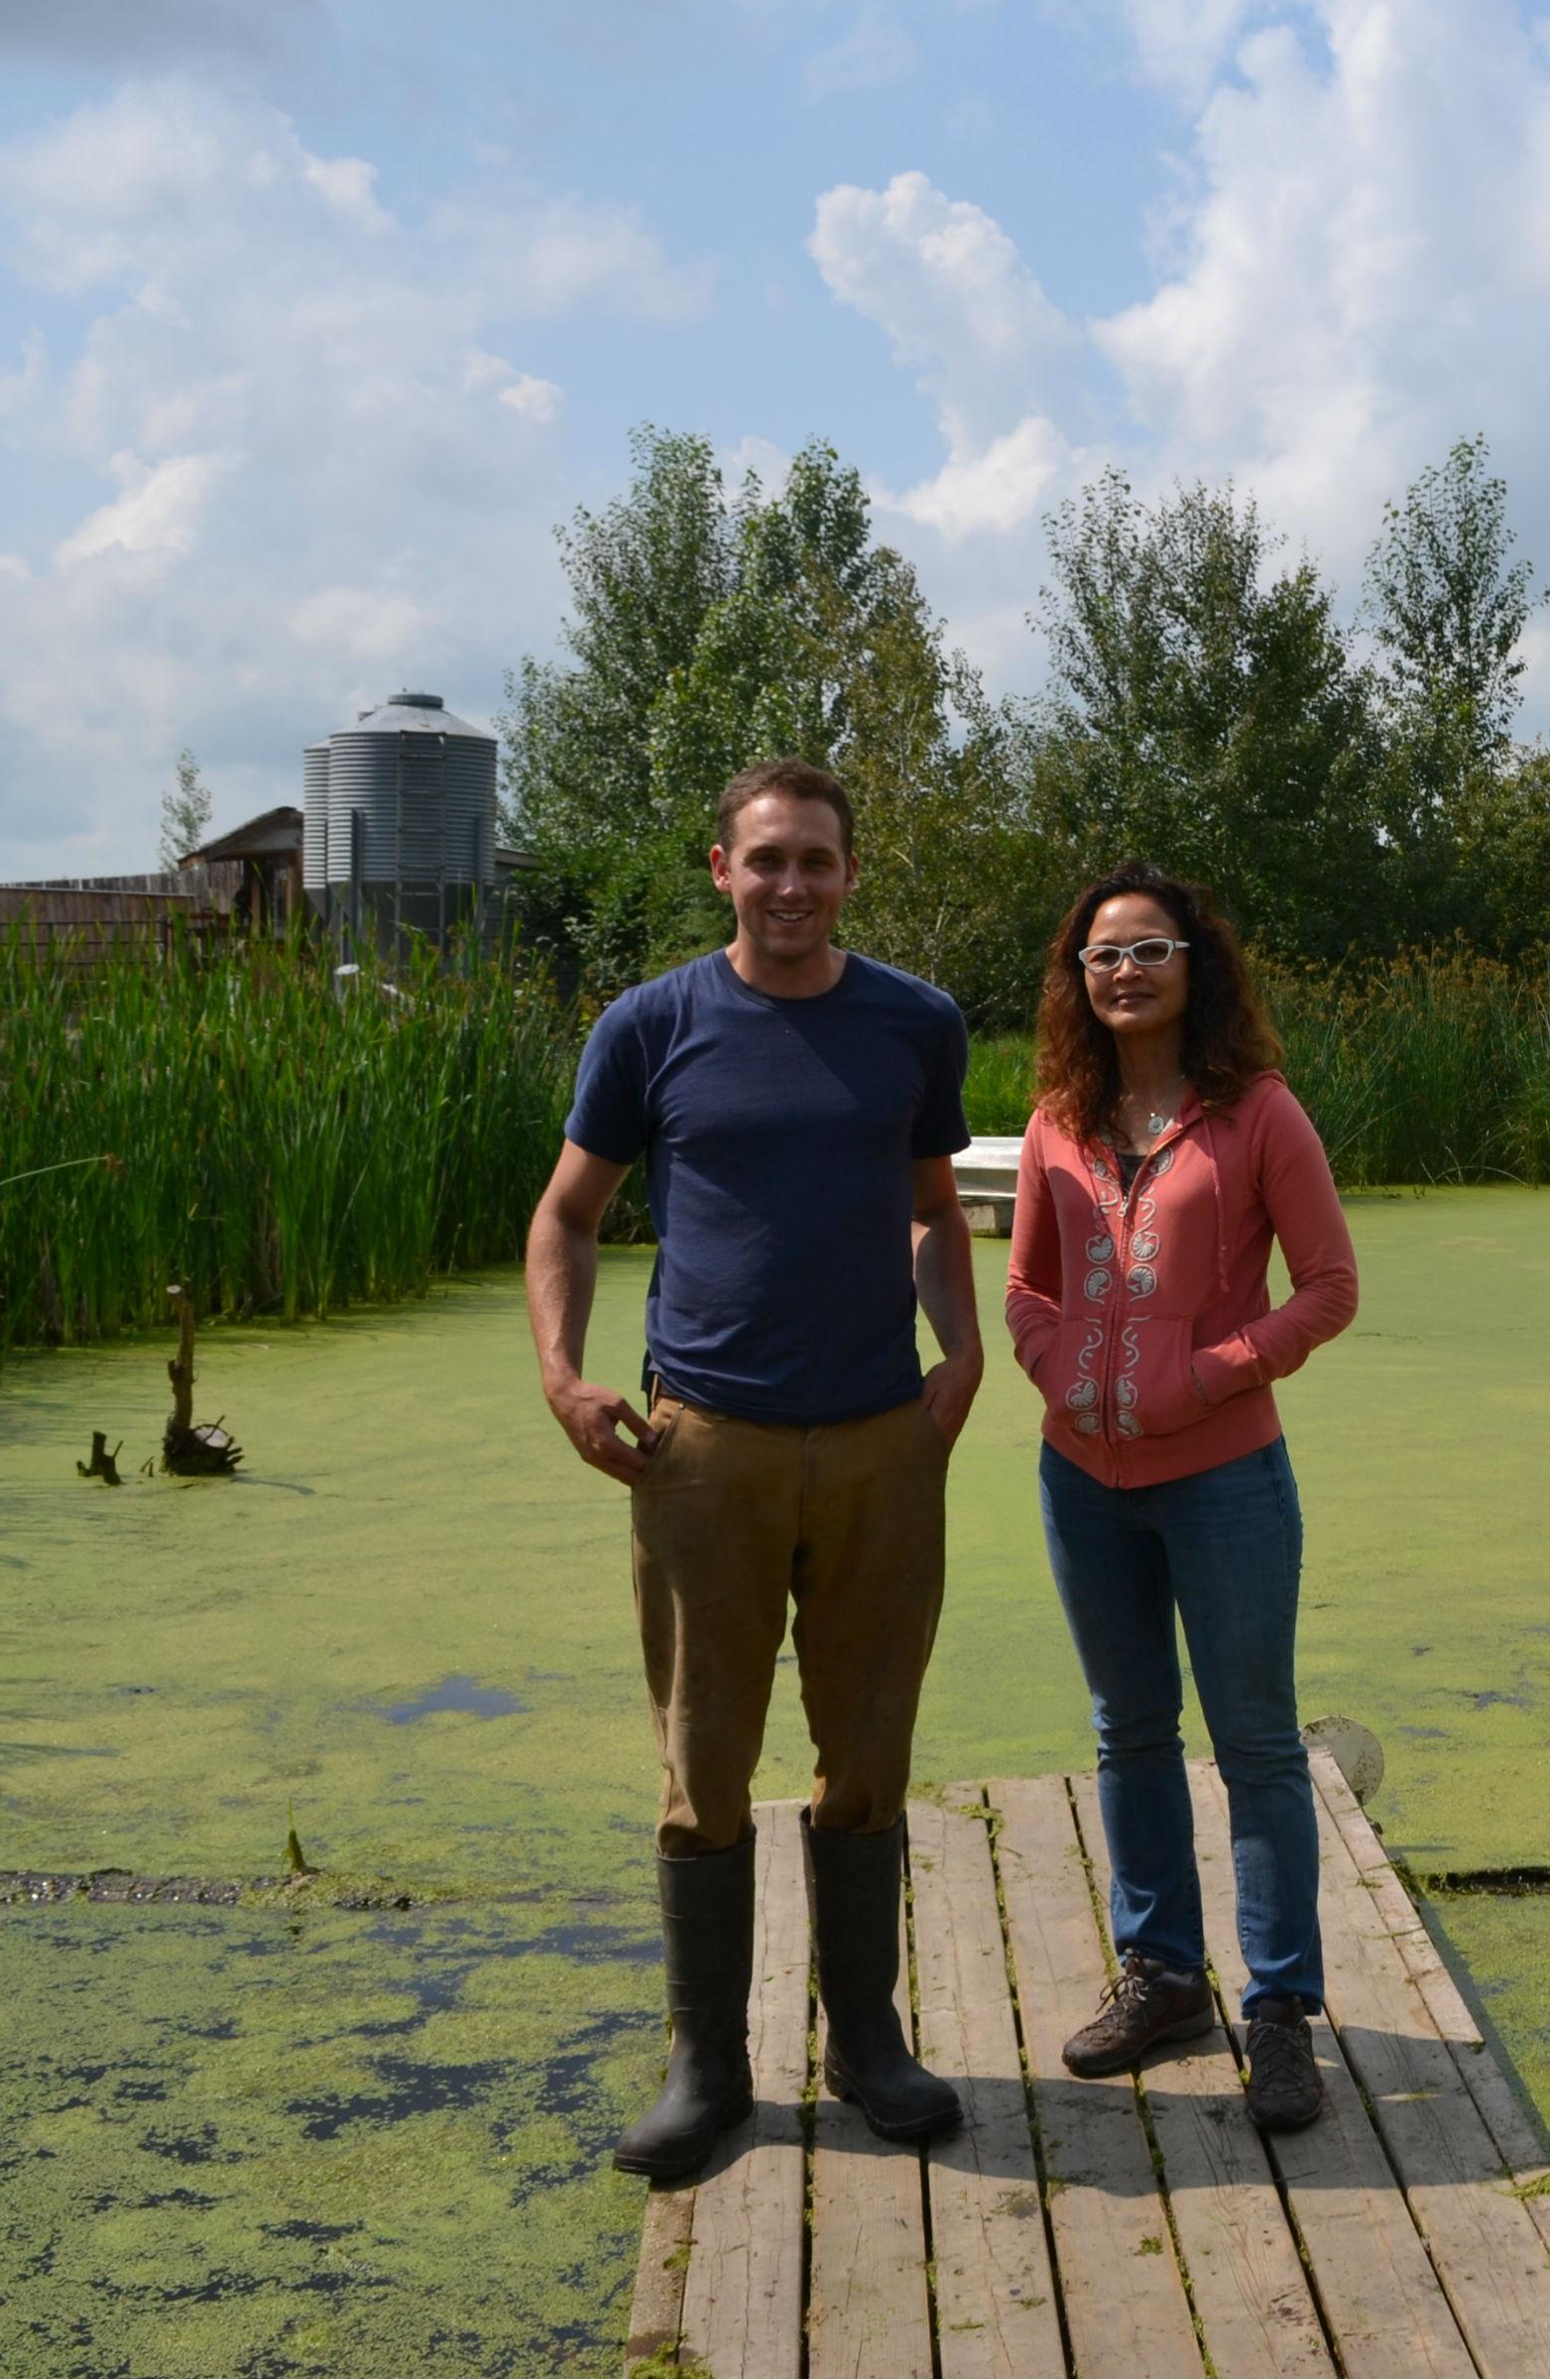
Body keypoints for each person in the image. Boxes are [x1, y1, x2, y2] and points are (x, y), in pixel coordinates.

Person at [527, 758, 985, 2183]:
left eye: (817, 860)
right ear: (720, 867)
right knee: (703, 1754)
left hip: (876, 1443)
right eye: (766, 859)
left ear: (851, 871)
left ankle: (866, 2037)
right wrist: (563, 1371)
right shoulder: (652, 1022)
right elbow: (567, 1213)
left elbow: (930, 1208)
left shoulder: (913, 1021)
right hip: (701, 1445)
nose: (791, 885)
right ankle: (706, 2063)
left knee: (869, 1744)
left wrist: (957, 1353)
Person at [1005, 864, 1358, 2133]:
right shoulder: (1055, 1112)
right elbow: (1028, 1288)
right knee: (1128, 1729)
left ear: (1192, 966)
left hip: (1222, 1478)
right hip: (1079, 1479)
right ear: (1077, 977)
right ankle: (1162, 1976)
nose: (1124, 972)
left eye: (1149, 950)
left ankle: (1278, 2012)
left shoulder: (1257, 1112)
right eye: (1102, 955)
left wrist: (1202, 1375)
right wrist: (1056, 1372)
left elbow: (1326, 1285)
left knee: (1256, 1742)